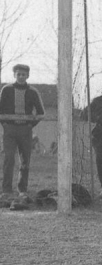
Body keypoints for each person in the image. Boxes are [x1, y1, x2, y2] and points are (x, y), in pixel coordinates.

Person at [0, 64, 45, 197]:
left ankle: (22, 190)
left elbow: (41, 113)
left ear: (27, 76)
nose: (21, 77)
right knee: (9, 159)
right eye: (18, 74)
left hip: (25, 130)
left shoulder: (33, 91)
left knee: (25, 160)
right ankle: (6, 190)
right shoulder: (6, 90)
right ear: (14, 75)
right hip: (10, 130)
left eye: (23, 74)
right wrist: (5, 124)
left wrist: (30, 125)